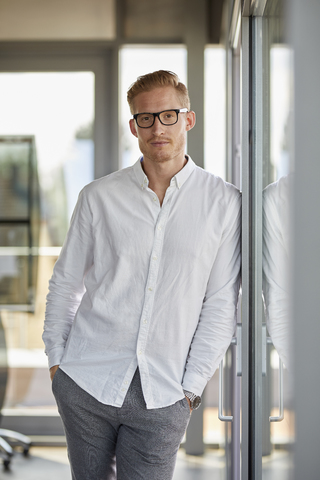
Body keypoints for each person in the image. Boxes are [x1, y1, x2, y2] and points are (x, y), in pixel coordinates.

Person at [43, 70, 241, 480]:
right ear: (134, 127)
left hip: (164, 395)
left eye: (168, 115)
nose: (157, 128)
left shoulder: (223, 203)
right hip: (85, 381)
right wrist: (57, 364)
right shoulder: (98, 197)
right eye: (145, 119)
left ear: (188, 119)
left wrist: (189, 390)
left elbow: (221, 303)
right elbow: (65, 284)